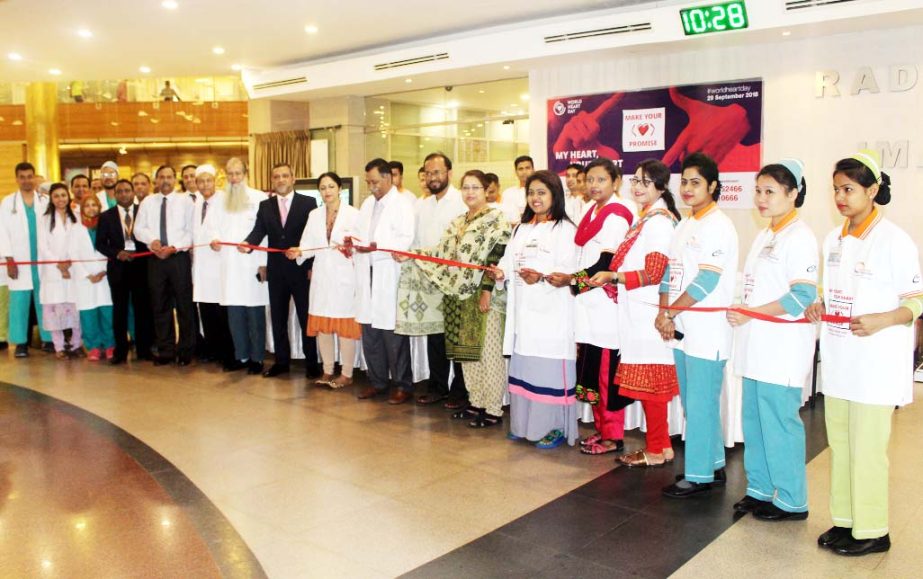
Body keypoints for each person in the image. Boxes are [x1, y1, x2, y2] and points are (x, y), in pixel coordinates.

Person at [806, 151, 922, 556]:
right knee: (840, 443)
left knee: (868, 449)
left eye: (849, 189)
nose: (841, 197)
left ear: (873, 190)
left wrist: (885, 319)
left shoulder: (895, 240)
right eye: (836, 189)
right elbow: (829, 291)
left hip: (875, 362)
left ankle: (874, 529)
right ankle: (846, 521)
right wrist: (818, 304)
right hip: (840, 361)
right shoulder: (832, 239)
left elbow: (917, 302)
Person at [726, 159, 816, 520]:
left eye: (770, 192)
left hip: (782, 350)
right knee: (755, 422)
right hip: (756, 347)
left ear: (793, 194)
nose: (761, 199)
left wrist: (752, 312)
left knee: (779, 423)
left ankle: (793, 499)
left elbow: (802, 298)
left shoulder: (801, 237)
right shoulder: (766, 234)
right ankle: (761, 488)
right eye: (758, 191)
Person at [400, 170, 510, 426]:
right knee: (467, 354)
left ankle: (493, 409)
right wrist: (411, 254)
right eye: (466, 188)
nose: (470, 192)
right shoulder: (457, 222)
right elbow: (440, 252)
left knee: (488, 353)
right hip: (458, 295)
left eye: (476, 187)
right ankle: (476, 402)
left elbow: (497, 256)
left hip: (486, 297)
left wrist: (486, 291)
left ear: (486, 190)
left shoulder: (497, 219)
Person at [658, 152, 738, 498]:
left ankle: (699, 475)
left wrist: (671, 312)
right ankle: (714, 464)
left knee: (702, 401)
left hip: (707, 329)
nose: (688, 189)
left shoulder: (718, 225)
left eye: (696, 183)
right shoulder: (685, 222)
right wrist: (664, 311)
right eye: (684, 182)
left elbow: (706, 281)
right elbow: (669, 271)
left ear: (713, 186)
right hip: (681, 325)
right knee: (693, 402)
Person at [592, 159, 681, 467]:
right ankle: (663, 446)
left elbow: (655, 271)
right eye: (636, 181)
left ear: (661, 186)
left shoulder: (658, 221)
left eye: (646, 182)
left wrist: (614, 277)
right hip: (637, 310)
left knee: (652, 385)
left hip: (648, 313)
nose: (638, 187)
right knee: (648, 385)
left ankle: (656, 449)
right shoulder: (646, 218)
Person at [545, 158, 634, 456]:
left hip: (605, 303)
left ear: (616, 181)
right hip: (588, 302)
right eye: (591, 180)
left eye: (601, 180)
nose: (594, 186)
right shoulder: (589, 209)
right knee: (593, 371)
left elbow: (606, 263)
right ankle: (600, 429)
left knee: (607, 372)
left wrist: (572, 280)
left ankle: (614, 436)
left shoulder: (618, 214)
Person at [488, 170, 579, 448]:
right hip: (523, 314)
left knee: (547, 371)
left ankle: (555, 428)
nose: (535, 198)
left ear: (555, 195)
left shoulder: (565, 230)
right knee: (525, 368)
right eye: (531, 193)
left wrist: (540, 276)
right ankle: (524, 425)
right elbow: (508, 260)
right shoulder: (521, 228)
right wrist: (500, 273)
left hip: (552, 313)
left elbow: (568, 270)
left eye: (542, 192)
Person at [396, 151, 467, 408]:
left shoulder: (461, 202)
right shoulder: (422, 205)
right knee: (435, 336)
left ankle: (460, 390)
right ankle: (438, 386)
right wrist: (404, 254)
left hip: (456, 282)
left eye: (437, 172)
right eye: (428, 172)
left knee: (456, 338)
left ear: (449, 172)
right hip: (427, 280)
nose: (432, 177)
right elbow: (414, 241)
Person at [242, 163, 320, 378]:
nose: (281, 180)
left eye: (285, 175)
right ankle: (281, 362)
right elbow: (258, 231)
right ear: (272, 180)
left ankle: (312, 363)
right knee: (278, 318)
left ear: (293, 178)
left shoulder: (308, 203)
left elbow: (314, 236)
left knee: (306, 317)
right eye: (276, 176)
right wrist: (247, 244)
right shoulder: (265, 206)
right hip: (276, 270)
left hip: (301, 270)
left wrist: (311, 266)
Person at [286, 172, 360, 387]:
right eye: (323, 188)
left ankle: (346, 373)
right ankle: (328, 370)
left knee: (345, 326)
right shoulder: (314, 215)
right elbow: (307, 244)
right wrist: (298, 252)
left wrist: (350, 247)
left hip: (344, 276)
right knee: (323, 326)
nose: (327, 192)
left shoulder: (353, 214)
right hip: (322, 277)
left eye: (331, 187)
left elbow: (361, 244)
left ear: (340, 189)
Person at [352, 158, 416, 404]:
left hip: (389, 275)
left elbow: (406, 239)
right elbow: (359, 233)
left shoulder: (403, 204)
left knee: (393, 336)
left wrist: (376, 248)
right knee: (370, 335)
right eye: (369, 182)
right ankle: (377, 381)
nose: (372, 187)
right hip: (367, 274)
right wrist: (353, 243)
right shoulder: (368, 204)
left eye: (375, 182)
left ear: (389, 178)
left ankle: (403, 385)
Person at [209, 158, 269, 375]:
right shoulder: (219, 200)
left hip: (252, 264)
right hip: (229, 266)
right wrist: (214, 239)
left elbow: (265, 233)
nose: (234, 178)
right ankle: (241, 356)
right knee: (234, 314)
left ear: (246, 173)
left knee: (254, 314)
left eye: (238, 174)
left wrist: (264, 263)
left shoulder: (259, 197)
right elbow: (212, 226)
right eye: (230, 174)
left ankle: (257, 358)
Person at [134, 165, 196, 366]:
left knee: (184, 305)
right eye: (161, 177)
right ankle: (166, 350)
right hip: (155, 259)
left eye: (169, 177)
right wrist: (152, 241)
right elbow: (138, 229)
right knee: (160, 305)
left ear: (175, 179)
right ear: (156, 180)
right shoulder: (148, 202)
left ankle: (186, 350)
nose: (165, 180)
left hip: (178, 257)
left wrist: (174, 247)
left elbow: (191, 231)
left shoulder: (186, 201)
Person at [95, 179, 153, 364]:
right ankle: (120, 351)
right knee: (119, 311)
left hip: (140, 266)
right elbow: (100, 244)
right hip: (118, 268)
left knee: (142, 310)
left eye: (127, 190)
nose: (124, 194)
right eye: (119, 191)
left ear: (133, 192)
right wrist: (117, 253)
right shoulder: (106, 216)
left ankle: (144, 350)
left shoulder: (143, 213)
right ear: (115, 194)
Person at [0, 162, 52, 357]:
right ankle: (20, 342)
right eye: (22, 177)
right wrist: (9, 260)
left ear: (34, 178)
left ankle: (48, 339)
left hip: (42, 260)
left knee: (44, 299)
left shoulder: (45, 201)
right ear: (16, 179)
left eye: (29, 176)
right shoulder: (8, 203)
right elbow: (2, 233)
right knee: (19, 302)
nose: (26, 180)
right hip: (20, 260)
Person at [191, 164, 235, 368]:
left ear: (215, 182)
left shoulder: (225, 201)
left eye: (208, 180)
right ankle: (214, 350)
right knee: (206, 311)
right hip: (201, 268)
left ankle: (228, 354)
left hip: (219, 266)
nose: (204, 184)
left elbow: (228, 229)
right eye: (201, 181)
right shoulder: (197, 203)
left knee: (222, 313)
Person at [38, 183, 81, 358]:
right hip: (53, 270)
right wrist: (59, 264)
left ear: (68, 196)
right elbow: (42, 246)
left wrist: (69, 262)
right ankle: (59, 346)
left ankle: (77, 344)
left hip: (73, 268)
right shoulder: (45, 219)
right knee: (53, 308)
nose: (61, 199)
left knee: (74, 306)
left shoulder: (76, 216)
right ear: (51, 198)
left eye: (63, 195)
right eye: (56, 196)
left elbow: (78, 243)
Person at [72, 195, 115, 361]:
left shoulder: (107, 225)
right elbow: (73, 254)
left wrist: (103, 271)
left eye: (94, 205)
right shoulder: (75, 229)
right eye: (87, 206)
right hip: (85, 279)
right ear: (82, 209)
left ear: (99, 207)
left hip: (104, 276)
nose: (91, 208)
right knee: (88, 314)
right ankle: (93, 347)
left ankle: (110, 345)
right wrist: (87, 274)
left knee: (107, 313)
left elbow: (112, 248)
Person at [499, 155, 534, 224]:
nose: (524, 172)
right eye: (520, 169)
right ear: (516, 172)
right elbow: (505, 218)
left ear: (533, 170)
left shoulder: (540, 192)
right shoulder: (508, 193)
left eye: (527, 168)